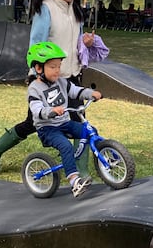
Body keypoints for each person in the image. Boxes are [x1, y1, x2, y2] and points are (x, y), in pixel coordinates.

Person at [0, 0, 99, 176]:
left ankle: (82, 172)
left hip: (72, 76)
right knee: (34, 122)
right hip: (46, 79)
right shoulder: (46, 8)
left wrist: (87, 41)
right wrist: (37, 76)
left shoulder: (75, 9)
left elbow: (75, 43)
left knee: (78, 120)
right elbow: (36, 46)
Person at [25, 41, 102, 198]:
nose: (57, 71)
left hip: (64, 123)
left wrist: (90, 93)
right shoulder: (34, 88)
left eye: (59, 66)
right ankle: (74, 181)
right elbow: (36, 110)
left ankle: (104, 160)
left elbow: (75, 91)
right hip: (47, 129)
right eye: (52, 67)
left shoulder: (61, 82)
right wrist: (51, 111)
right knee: (66, 146)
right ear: (38, 68)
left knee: (90, 131)